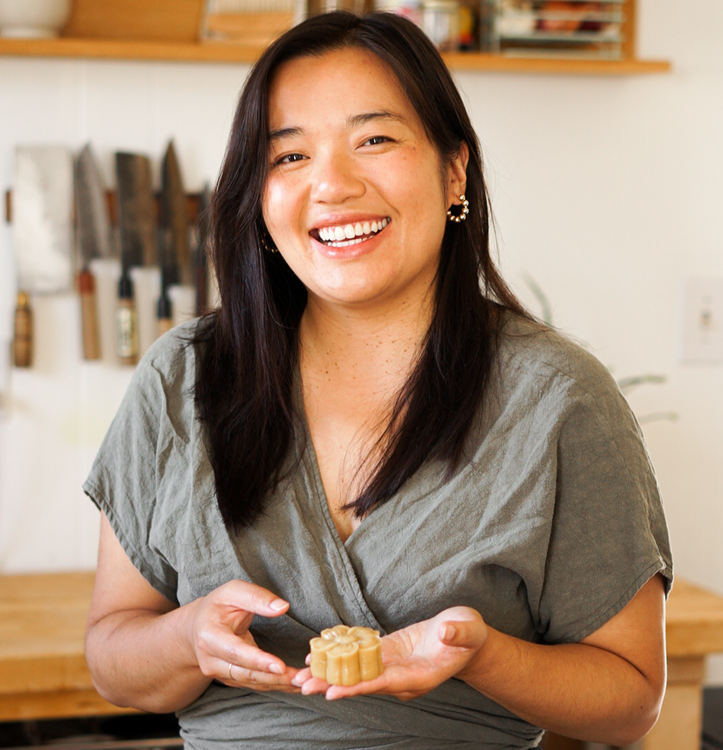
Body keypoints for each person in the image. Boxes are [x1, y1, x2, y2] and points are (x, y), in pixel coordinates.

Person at [83, 10, 672, 750]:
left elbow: (630, 702)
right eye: (290, 157)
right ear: (258, 197)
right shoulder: (183, 375)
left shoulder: (560, 398)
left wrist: (484, 655)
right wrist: (187, 639)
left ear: (453, 169)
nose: (331, 185)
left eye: (376, 139)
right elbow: (112, 657)